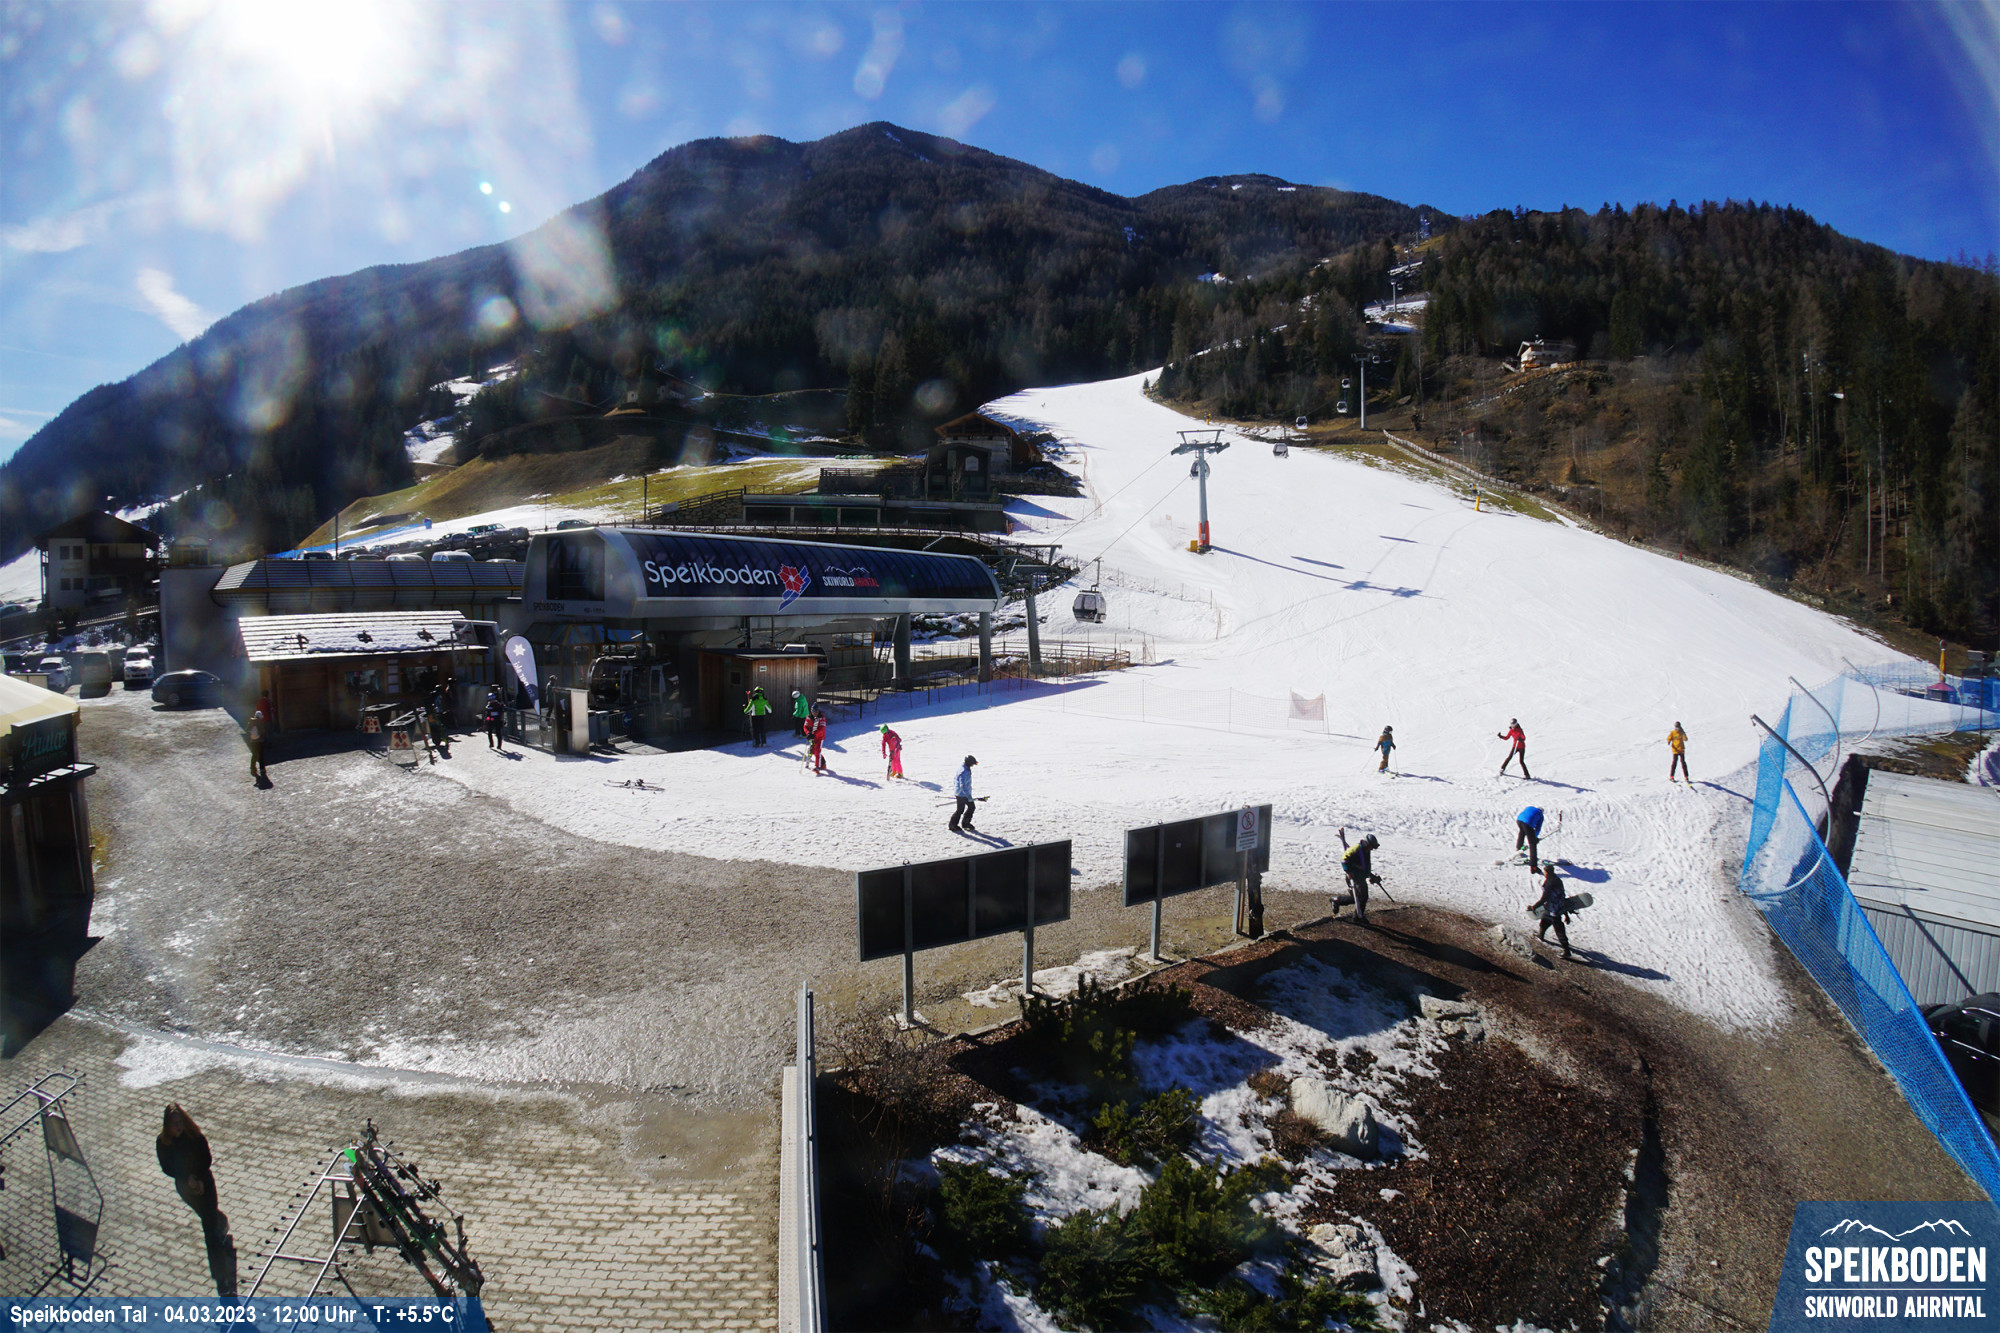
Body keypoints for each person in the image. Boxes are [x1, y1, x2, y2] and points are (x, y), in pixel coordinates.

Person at [1527, 863, 1573, 959]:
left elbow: (1544, 898)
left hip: (1553, 910)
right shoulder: (1558, 880)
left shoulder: (1548, 883)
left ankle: (1567, 951)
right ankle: (1540, 935)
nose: (1544, 874)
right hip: (1557, 907)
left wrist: (1534, 907)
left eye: (1544, 872)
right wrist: (1565, 913)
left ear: (1547, 873)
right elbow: (1561, 896)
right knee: (1544, 921)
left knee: (1559, 930)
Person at [1337, 826, 1380, 921]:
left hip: (1360, 876)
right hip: (1354, 876)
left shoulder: (1366, 851)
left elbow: (1364, 866)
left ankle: (1337, 901)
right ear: (1367, 844)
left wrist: (1371, 876)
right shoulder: (1356, 849)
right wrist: (1348, 871)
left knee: (1359, 897)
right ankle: (1358, 917)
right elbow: (1344, 860)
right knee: (1362, 896)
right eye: (1371, 847)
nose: (1371, 849)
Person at [950, 755, 979, 832]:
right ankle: (954, 825)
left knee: (965, 808)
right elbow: (962, 785)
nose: (973, 765)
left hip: (962, 793)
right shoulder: (963, 771)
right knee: (966, 808)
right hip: (962, 794)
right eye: (972, 764)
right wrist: (968, 796)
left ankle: (964, 824)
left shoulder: (964, 768)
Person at [1515, 804, 1546, 871]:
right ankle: (1533, 867)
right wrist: (1534, 838)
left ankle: (1518, 847)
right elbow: (1538, 828)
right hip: (1527, 823)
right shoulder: (1541, 815)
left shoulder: (1530, 807)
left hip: (1519, 820)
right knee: (1532, 844)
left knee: (1522, 832)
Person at [245, 709, 269, 782]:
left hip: (252, 741)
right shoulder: (259, 722)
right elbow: (262, 731)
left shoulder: (251, 722)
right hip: (259, 741)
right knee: (261, 755)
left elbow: (247, 730)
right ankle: (262, 769)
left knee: (254, 755)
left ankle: (253, 768)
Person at [805, 709, 828, 774]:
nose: (815, 713)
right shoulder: (809, 717)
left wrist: (814, 734)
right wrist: (808, 733)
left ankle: (817, 767)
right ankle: (823, 763)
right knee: (812, 750)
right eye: (813, 712)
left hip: (820, 737)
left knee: (817, 750)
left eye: (816, 712)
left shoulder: (822, 718)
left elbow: (822, 728)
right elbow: (805, 726)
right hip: (812, 736)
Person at [483, 687, 506, 751]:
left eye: (492, 700)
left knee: (498, 733)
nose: (491, 701)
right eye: (490, 700)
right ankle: (491, 743)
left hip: (497, 720)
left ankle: (499, 745)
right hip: (490, 720)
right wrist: (485, 722)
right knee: (489, 732)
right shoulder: (488, 705)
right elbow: (487, 714)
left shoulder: (498, 705)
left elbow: (501, 712)